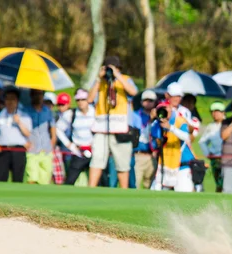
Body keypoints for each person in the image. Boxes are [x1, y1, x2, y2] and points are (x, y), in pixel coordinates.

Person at [87, 56, 138, 188]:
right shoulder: (100, 83)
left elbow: (134, 92)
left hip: (121, 128)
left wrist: (118, 76)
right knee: (97, 160)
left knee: (122, 164)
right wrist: (98, 79)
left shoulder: (125, 80)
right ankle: (90, 189)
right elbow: (89, 99)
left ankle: (124, 192)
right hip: (102, 127)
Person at [0, 86, 32, 182]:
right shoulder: (0, 115)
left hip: (18, 149)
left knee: (18, 178)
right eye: (7, 98)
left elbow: (28, 133)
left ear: (17, 101)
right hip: (3, 148)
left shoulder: (24, 115)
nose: (10, 101)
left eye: (13, 99)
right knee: (1, 177)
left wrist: (19, 122)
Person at [150, 101, 195, 192]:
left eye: (165, 108)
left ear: (170, 108)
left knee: (184, 193)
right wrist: (152, 121)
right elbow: (155, 142)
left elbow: (186, 137)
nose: (163, 112)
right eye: (160, 109)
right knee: (155, 191)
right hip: (164, 164)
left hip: (181, 164)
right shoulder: (157, 123)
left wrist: (170, 128)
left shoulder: (180, 121)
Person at [55, 88, 95, 186]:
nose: (80, 102)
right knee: (70, 181)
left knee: (99, 182)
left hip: (94, 152)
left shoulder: (95, 112)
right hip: (78, 152)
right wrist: (69, 144)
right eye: (78, 100)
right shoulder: (71, 114)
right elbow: (58, 129)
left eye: (83, 99)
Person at [25, 89, 56, 185]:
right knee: (32, 177)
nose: (38, 97)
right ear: (31, 95)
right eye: (35, 94)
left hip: (46, 148)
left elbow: (52, 128)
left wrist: (52, 142)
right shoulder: (26, 111)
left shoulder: (47, 111)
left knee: (45, 179)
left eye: (40, 94)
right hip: (32, 148)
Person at [133, 89, 158, 189]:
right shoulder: (136, 115)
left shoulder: (159, 116)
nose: (148, 103)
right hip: (138, 154)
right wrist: (150, 120)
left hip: (152, 156)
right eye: (146, 100)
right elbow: (142, 133)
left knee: (150, 186)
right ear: (141, 102)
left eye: (151, 100)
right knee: (136, 184)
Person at [199, 101, 226, 192]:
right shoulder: (211, 126)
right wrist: (208, 153)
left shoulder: (227, 124)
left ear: (223, 113)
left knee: (224, 182)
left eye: (217, 111)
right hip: (215, 158)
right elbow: (202, 141)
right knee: (218, 182)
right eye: (213, 112)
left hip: (226, 158)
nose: (214, 114)